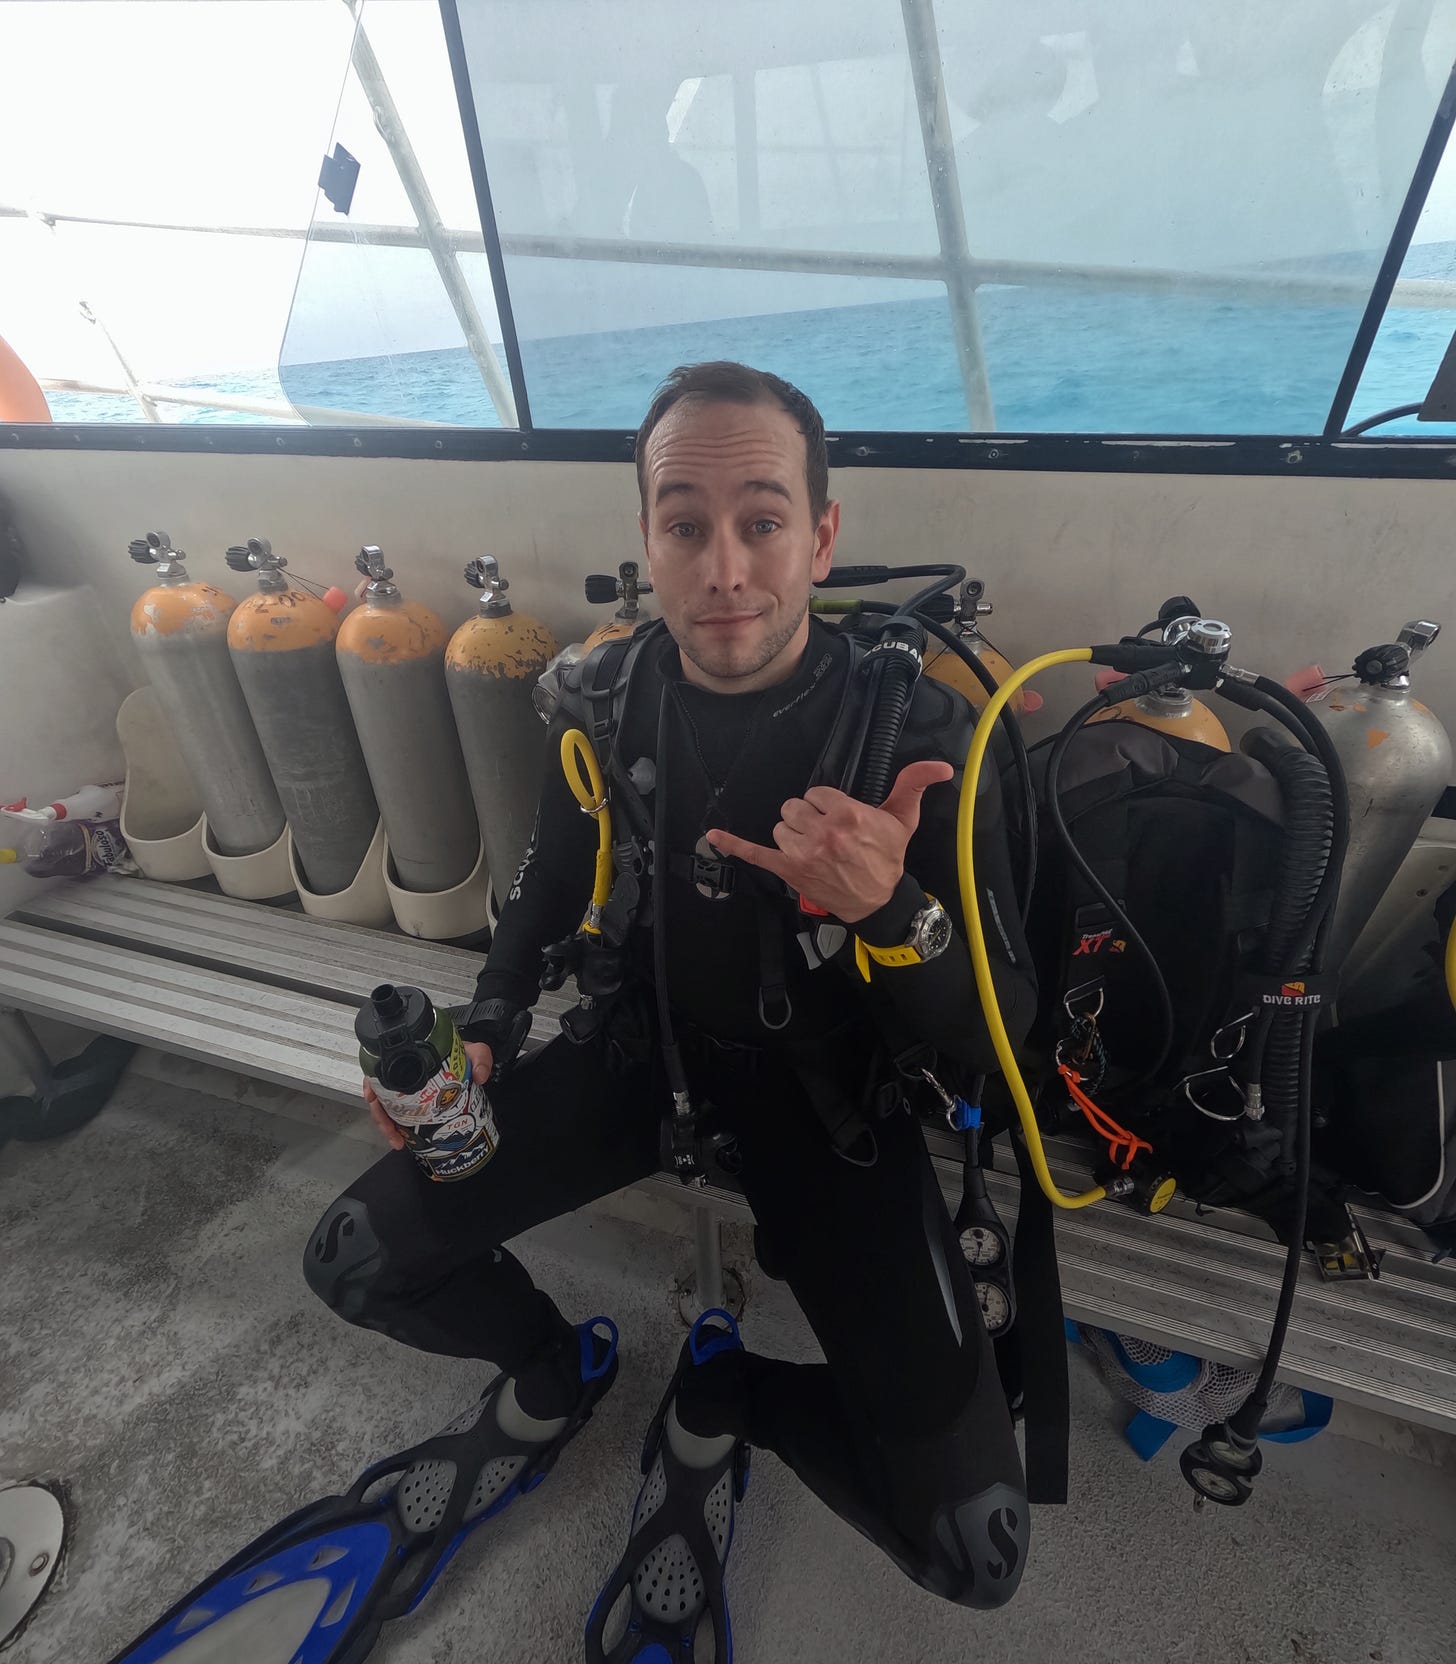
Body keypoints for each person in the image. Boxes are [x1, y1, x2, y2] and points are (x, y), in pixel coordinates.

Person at [304, 361, 1038, 1657]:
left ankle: (728, 1387)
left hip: (829, 1111)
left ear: (820, 535)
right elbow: (540, 884)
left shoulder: (919, 736)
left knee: (975, 1548)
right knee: (355, 1257)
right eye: (682, 522)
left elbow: (998, 1043)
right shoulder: (600, 697)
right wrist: (486, 1021)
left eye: (762, 521)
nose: (723, 566)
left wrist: (888, 914)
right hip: (634, 1056)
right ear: (644, 536)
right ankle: (552, 1367)